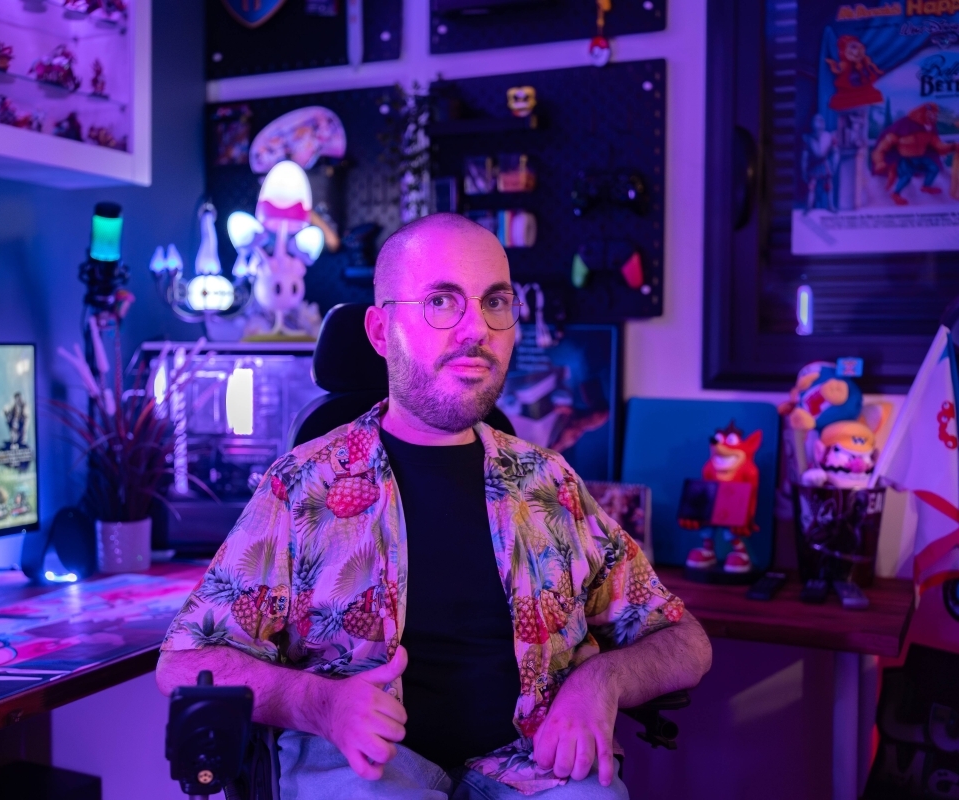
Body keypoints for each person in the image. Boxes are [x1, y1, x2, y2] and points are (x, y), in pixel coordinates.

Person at [156, 213, 712, 799]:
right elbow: (185, 661)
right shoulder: (301, 487)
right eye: (441, 301)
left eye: (495, 301)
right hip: (359, 761)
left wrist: (601, 681)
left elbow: (683, 639)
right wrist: (318, 703)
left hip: (529, 760)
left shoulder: (550, 484)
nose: (477, 329)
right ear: (380, 332)